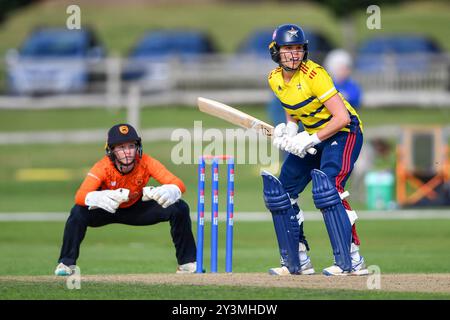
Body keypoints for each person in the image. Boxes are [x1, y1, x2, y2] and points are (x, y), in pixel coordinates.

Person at [262, 24, 369, 276]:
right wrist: (290, 129)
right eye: (288, 48)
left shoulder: (315, 75)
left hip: (344, 133)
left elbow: (342, 117)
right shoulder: (274, 79)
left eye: (298, 48)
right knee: (282, 191)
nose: (294, 53)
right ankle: (297, 259)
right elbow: (292, 105)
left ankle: (351, 259)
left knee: (328, 188)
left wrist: (309, 139)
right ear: (276, 51)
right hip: (313, 136)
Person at [54, 123, 197, 276]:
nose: (127, 152)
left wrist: (171, 190)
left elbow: (179, 184)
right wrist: (98, 196)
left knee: (179, 207)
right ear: (111, 150)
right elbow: (80, 196)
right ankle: (66, 263)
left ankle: (187, 263)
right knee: (77, 212)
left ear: (138, 147)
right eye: (121, 147)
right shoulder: (102, 167)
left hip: (137, 209)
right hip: (108, 208)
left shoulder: (147, 162)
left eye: (131, 146)